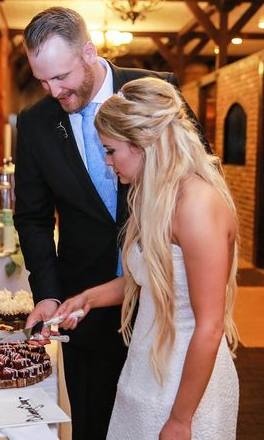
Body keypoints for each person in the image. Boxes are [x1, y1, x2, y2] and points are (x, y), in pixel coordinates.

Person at [13, 7, 205, 440]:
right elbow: (32, 216)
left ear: (89, 52)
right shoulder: (36, 123)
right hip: (87, 297)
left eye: (61, 76)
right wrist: (47, 292)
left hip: (164, 296)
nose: (53, 90)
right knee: (92, 420)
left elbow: (198, 178)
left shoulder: (158, 92)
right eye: (42, 81)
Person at [50, 77, 240, 440]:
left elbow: (210, 325)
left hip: (186, 386)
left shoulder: (197, 205)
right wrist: (89, 298)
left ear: (144, 143)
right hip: (145, 371)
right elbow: (150, 279)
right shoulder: (152, 194)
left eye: (111, 150)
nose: (108, 163)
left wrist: (182, 419)